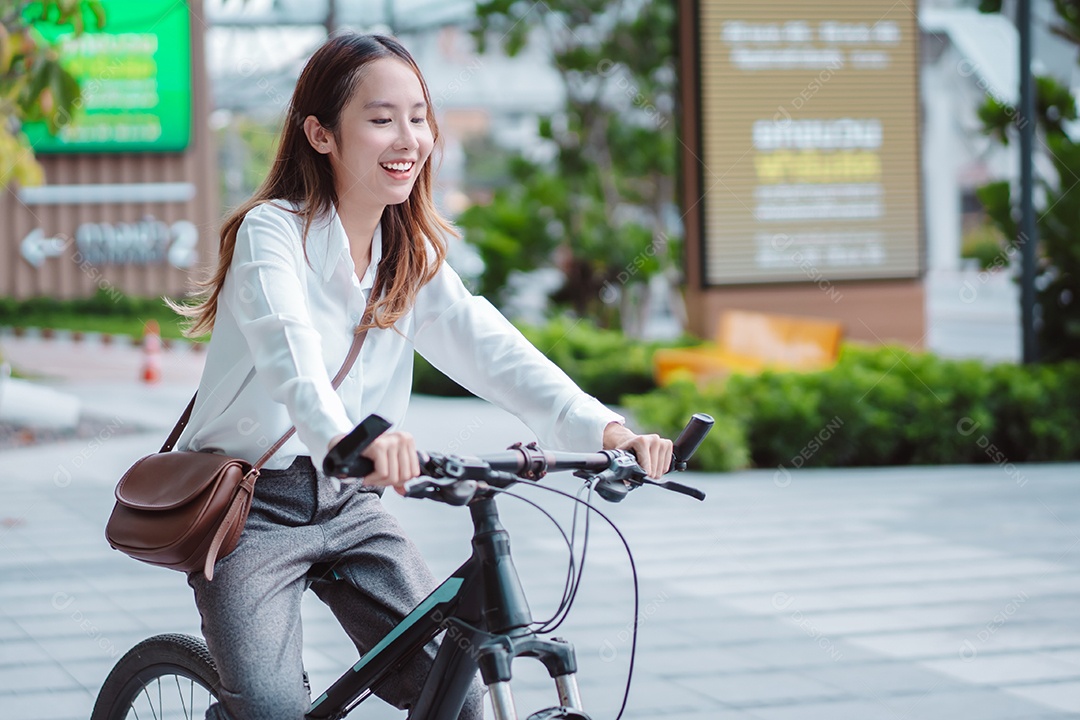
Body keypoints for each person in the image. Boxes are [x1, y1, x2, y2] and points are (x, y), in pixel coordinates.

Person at [173, 32, 673, 720]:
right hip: (254, 511)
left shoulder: (406, 253)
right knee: (270, 708)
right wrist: (353, 438)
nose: (408, 137)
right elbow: (292, 358)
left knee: (457, 691)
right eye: (381, 119)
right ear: (321, 134)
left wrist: (607, 428)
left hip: (351, 502)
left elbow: (494, 351)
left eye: (418, 116)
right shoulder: (273, 233)